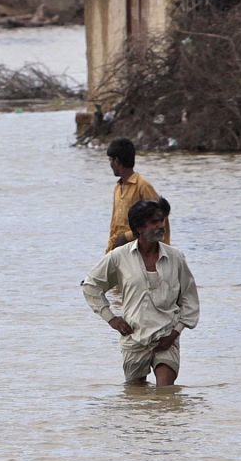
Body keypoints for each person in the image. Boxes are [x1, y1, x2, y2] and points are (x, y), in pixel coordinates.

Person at [83, 199, 200, 385]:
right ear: (139, 228)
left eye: (161, 221)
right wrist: (112, 318)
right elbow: (90, 285)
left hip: (166, 337)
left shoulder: (175, 257)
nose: (161, 226)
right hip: (134, 338)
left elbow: (189, 297)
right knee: (136, 397)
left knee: (166, 395)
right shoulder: (119, 257)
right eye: (154, 222)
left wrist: (175, 333)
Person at [106, 137, 170, 252]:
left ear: (117, 161)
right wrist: (109, 250)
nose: (110, 164)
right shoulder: (118, 188)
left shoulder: (142, 186)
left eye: (110, 160)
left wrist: (126, 237)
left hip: (138, 249)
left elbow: (161, 216)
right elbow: (114, 225)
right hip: (118, 250)